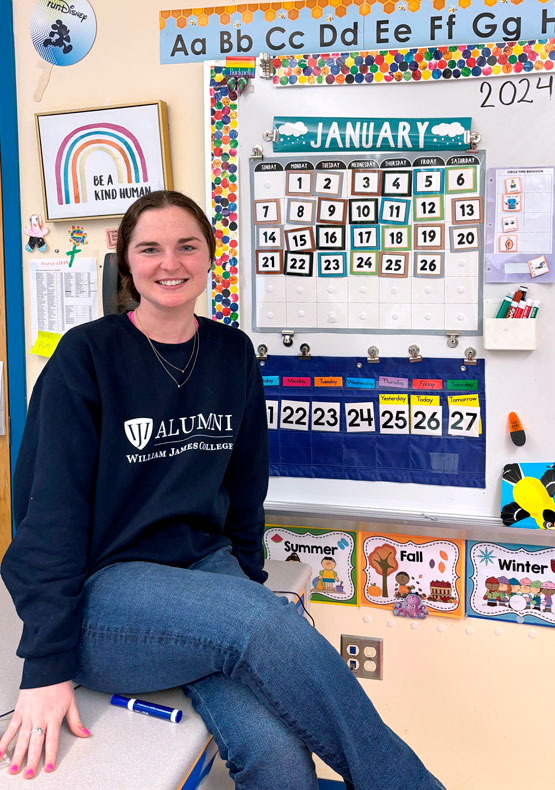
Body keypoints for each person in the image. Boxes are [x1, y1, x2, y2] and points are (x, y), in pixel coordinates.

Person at [0, 190, 445, 789]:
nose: (170, 263)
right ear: (127, 265)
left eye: (187, 246)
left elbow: (245, 481)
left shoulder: (231, 353)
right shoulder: (87, 355)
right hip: (103, 593)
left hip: (204, 570)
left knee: (279, 760)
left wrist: (240, 577)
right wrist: (45, 666)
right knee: (263, 624)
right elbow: (45, 513)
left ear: (210, 257)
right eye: (150, 248)